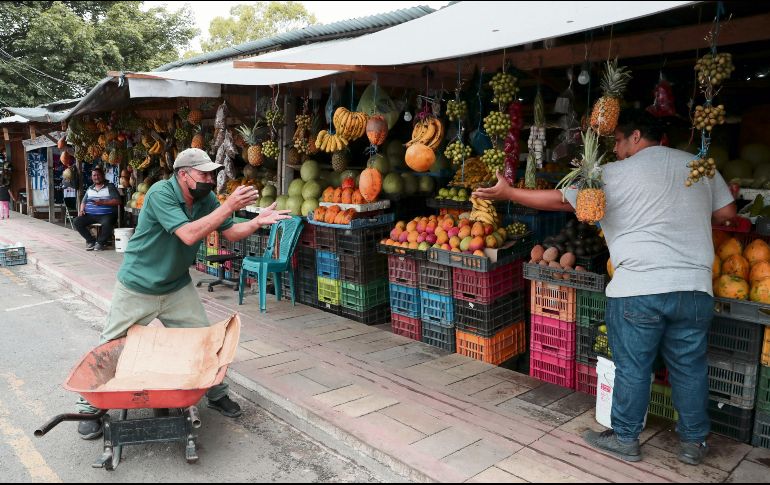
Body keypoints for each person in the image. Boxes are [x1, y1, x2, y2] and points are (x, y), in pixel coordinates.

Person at [474, 109, 736, 466]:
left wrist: (508, 193)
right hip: (694, 287)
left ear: (637, 136)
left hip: (638, 289)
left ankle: (626, 438)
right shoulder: (699, 166)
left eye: (619, 141)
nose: (617, 150)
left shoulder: (610, 174)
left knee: (634, 367)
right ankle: (693, 443)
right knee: (689, 367)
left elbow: (557, 200)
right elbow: (727, 214)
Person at [76, 148, 291, 440]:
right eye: (203, 174)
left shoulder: (207, 200)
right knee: (110, 345)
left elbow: (229, 233)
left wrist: (255, 223)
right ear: (183, 175)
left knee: (205, 341)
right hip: (138, 285)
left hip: (177, 285)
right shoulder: (160, 194)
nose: (210, 180)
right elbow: (189, 234)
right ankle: (89, 408)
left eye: (212, 174)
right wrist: (228, 207)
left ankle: (216, 395)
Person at [73, 167, 121, 251]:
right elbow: (83, 202)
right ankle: (91, 241)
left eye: (98, 175)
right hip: (90, 215)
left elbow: (118, 201)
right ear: (92, 177)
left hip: (106, 215)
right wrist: (81, 210)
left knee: (108, 222)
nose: (96, 177)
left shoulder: (110, 187)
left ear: (103, 175)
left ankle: (100, 243)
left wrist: (102, 202)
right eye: (94, 175)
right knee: (77, 221)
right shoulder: (90, 188)